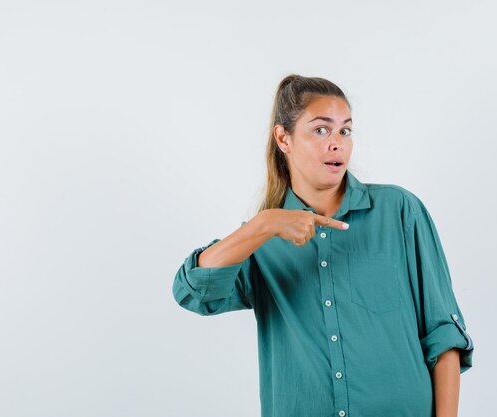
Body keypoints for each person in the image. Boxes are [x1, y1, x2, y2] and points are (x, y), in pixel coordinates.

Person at [172, 74, 474, 417]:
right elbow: (192, 292)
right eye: (321, 129)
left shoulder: (399, 211)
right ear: (283, 139)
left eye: (344, 130)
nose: (337, 143)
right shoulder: (259, 242)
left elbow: (443, 333)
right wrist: (264, 224)